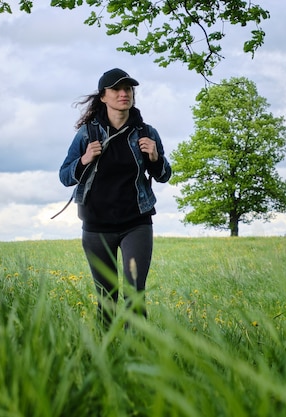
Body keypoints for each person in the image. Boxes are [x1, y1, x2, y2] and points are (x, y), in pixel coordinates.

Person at [59, 68, 172, 326]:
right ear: (103, 97)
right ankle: (108, 356)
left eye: (128, 89)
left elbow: (164, 175)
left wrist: (156, 158)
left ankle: (138, 355)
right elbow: (65, 176)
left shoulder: (147, 133)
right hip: (97, 225)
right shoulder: (88, 134)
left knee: (135, 295)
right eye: (117, 90)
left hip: (136, 222)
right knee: (107, 299)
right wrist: (85, 159)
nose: (124, 94)